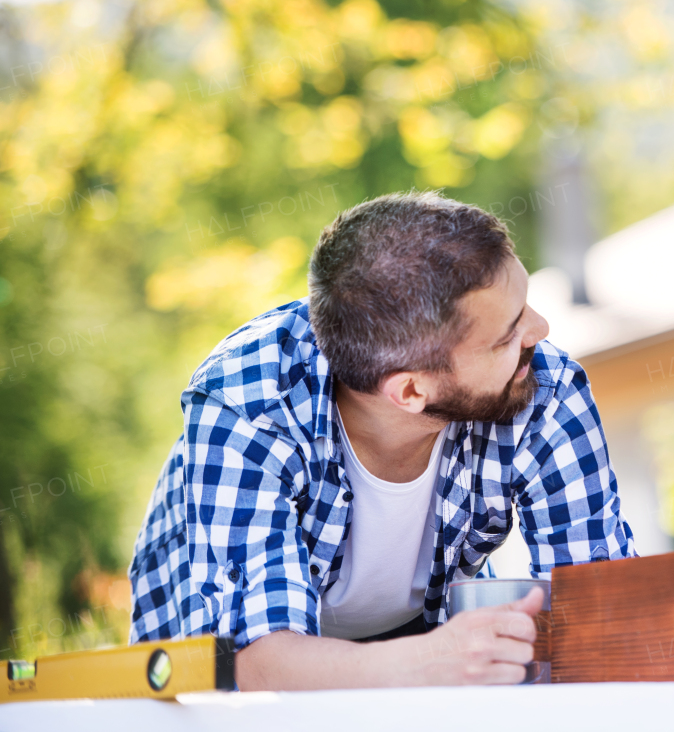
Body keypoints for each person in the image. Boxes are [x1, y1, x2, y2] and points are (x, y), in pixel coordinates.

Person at [128, 192, 634, 689]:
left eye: (525, 304)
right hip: (213, 675)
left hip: (421, 634)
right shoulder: (249, 402)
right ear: (410, 390)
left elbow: (602, 610)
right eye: (506, 336)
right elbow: (256, 663)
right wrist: (433, 659)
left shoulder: (541, 383)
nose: (540, 330)